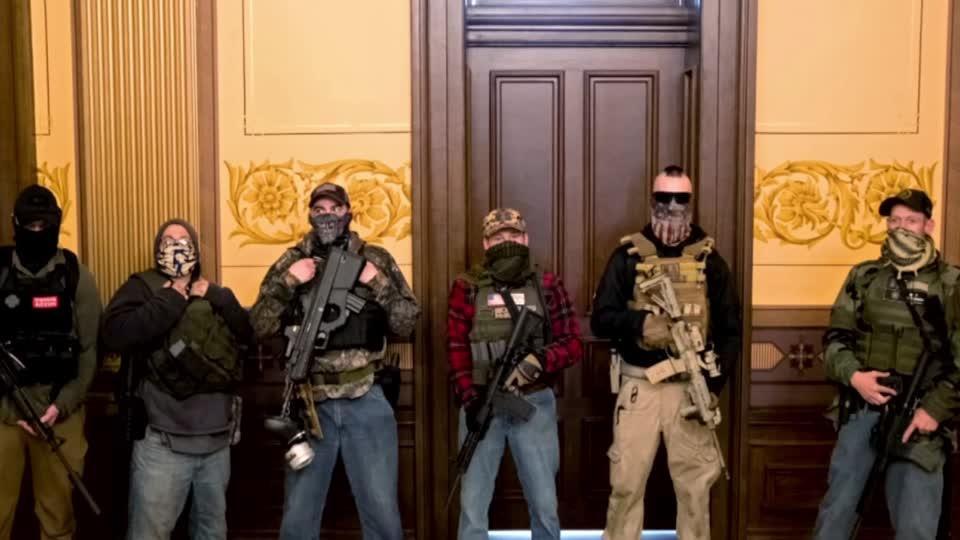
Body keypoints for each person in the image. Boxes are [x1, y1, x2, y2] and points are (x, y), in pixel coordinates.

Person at [250, 182, 419, 540]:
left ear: (348, 212)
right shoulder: (292, 260)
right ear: (310, 214)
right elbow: (259, 326)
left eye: (335, 208)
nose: (327, 215)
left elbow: (408, 323)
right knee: (299, 517)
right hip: (311, 405)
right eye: (319, 209)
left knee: (382, 514)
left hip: (366, 398)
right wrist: (289, 281)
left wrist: (377, 282)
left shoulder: (375, 258)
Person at [592, 165, 741, 540]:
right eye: (663, 197)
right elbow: (601, 319)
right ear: (652, 200)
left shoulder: (709, 261)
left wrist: (713, 387)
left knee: (695, 491)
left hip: (690, 390)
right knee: (626, 486)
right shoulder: (628, 256)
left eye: (680, 198)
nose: (672, 205)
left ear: (691, 202)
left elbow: (730, 331)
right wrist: (640, 323)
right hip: (640, 387)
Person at [813, 188, 960, 540]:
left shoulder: (951, 284)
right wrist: (855, 376)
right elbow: (835, 341)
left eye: (911, 220)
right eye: (894, 221)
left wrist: (935, 410)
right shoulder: (865, 276)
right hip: (864, 408)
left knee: (916, 526)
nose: (902, 228)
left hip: (920, 419)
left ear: (929, 226)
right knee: (837, 515)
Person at [101, 219, 253, 540]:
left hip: (216, 441)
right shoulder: (142, 286)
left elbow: (248, 336)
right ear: (157, 249)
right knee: (150, 532)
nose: (176, 246)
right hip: (162, 441)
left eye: (184, 240)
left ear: (195, 249)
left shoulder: (212, 290)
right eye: (168, 240)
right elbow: (114, 334)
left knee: (212, 532)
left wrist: (220, 296)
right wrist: (169, 298)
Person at [447, 207, 583, 540]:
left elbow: (573, 343)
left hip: (533, 402)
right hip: (482, 401)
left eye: (513, 235)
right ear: (485, 244)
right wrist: (470, 399)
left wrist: (539, 360)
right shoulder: (467, 286)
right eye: (498, 238)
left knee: (544, 504)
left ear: (525, 239)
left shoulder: (546, 283)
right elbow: (456, 347)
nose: (506, 242)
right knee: (472, 506)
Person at [0, 185, 101, 540]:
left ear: (56, 224)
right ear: (15, 224)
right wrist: (11, 409)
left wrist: (61, 405)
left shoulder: (75, 275)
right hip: (5, 414)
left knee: (58, 519)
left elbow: (89, 351)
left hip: (60, 413)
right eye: (30, 225)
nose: (37, 232)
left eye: (44, 225)